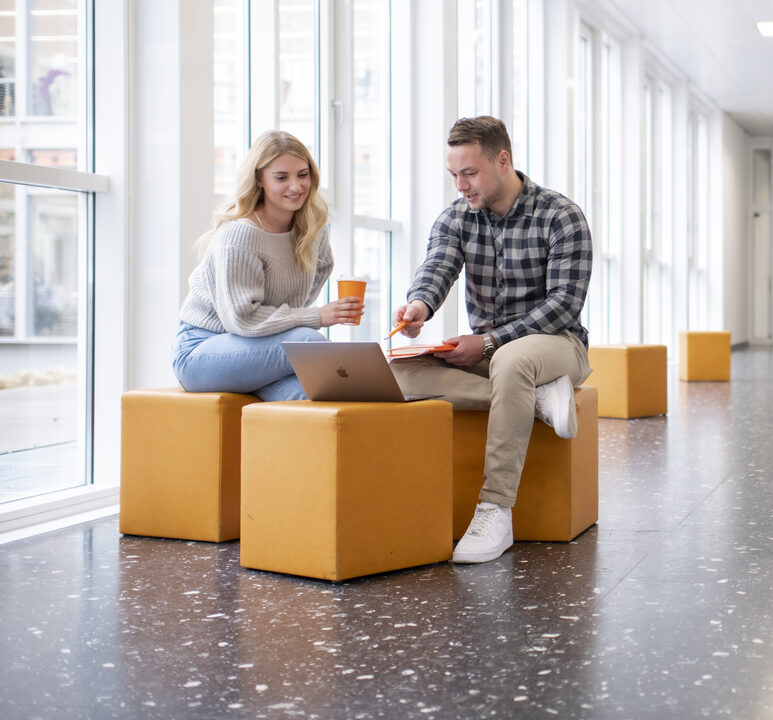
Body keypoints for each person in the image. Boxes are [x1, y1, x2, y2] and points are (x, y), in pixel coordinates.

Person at [391, 116, 592, 565]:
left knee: (514, 362)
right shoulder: (457, 217)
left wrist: (488, 343)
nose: (461, 185)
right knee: (396, 370)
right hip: (491, 355)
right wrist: (418, 306)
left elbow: (564, 304)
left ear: (503, 161)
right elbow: (437, 268)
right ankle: (534, 401)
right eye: (453, 175)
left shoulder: (561, 215)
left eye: (470, 172)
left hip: (557, 344)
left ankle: (496, 510)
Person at [172, 130, 361, 401]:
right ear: (259, 180)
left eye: (302, 174)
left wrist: (285, 322)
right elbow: (242, 319)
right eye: (281, 177)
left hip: (259, 349)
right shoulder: (240, 234)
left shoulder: (312, 229)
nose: (296, 186)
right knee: (308, 343)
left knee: (317, 397)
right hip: (201, 349)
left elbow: (321, 270)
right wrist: (316, 316)